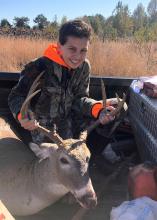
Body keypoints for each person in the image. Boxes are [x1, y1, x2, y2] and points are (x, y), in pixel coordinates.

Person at [8, 19, 115, 145]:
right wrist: (23, 116)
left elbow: (80, 98)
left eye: (83, 50)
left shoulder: (84, 67)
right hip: (42, 132)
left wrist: (97, 109)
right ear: (59, 46)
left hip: (72, 129)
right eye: (72, 49)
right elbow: (15, 96)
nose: (78, 56)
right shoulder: (38, 66)